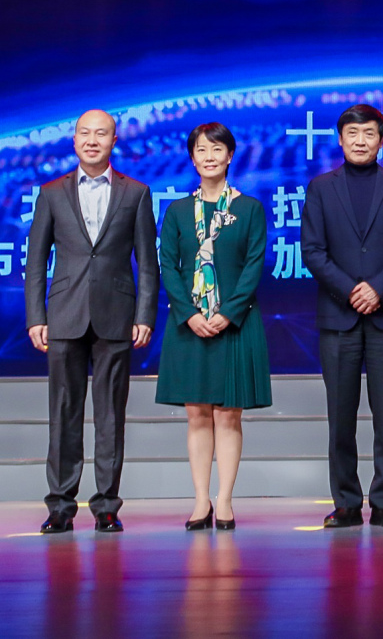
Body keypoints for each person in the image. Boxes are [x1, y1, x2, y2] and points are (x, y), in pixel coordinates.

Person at [24, 109, 157, 534]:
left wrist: (144, 314)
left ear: (114, 140)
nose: (92, 140)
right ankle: (60, 506)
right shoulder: (51, 193)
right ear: (74, 139)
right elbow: (35, 262)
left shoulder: (136, 193)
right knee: (63, 413)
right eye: (85, 133)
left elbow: (147, 262)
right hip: (64, 315)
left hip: (116, 315)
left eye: (101, 134)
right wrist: (36, 316)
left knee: (110, 416)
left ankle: (106, 506)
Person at [301, 103, 383, 528]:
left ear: (381, 140)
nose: (360, 141)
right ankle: (346, 502)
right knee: (341, 416)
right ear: (340, 139)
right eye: (352, 134)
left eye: (369, 133)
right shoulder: (321, 188)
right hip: (338, 316)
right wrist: (351, 290)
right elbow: (312, 250)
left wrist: (377, 288)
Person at [155, 122, 270, 531]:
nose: (209, 157)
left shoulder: (249, 209)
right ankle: (200, 500)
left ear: (230, 156)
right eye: (201, 150)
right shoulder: (177, 211)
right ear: (192, 158)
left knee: (228, 416)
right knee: (197, 416)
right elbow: (168, 265)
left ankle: (224, 501)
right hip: (189, 325)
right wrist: (189, 313)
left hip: (234, 323)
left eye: (217, 149)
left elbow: (254, 265)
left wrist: (228, 312)